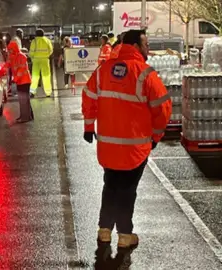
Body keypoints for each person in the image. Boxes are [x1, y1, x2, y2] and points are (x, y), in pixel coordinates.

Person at [81, 29, 172, 248]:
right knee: (127, 190)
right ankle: (124, 234)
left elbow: (89, 96)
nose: (148, 48)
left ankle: (104, 229)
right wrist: (156, 136)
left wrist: (88, 126)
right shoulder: (145, 73)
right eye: (146, 44)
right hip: (135, 147)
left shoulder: (103, 70)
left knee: (110, 186)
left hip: (108, 146)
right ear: (137, 46)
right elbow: (163, 108)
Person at [7, 41, 33, 123]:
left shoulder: (21, 56)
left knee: (23, 100)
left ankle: (25, 117)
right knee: (24, 100)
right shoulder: (12, 57)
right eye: (9, 50)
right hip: (20, 81)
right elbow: (8, 65)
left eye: (11, 49)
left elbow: (22, 70)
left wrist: (15, 79)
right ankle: (27, 116)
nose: (9, 51)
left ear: (14, 49)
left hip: (24, 81)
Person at [29, 28, 53, 97]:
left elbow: (31, 51)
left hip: (36, 60)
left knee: (35, 76)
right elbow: (51, 50)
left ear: (36, 34)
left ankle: (32, 92)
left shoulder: (34, 41)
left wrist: (31, 57)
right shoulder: (47, 40)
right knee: (46, 76)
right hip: (45, 60)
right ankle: (48, 93)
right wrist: (47, 55)